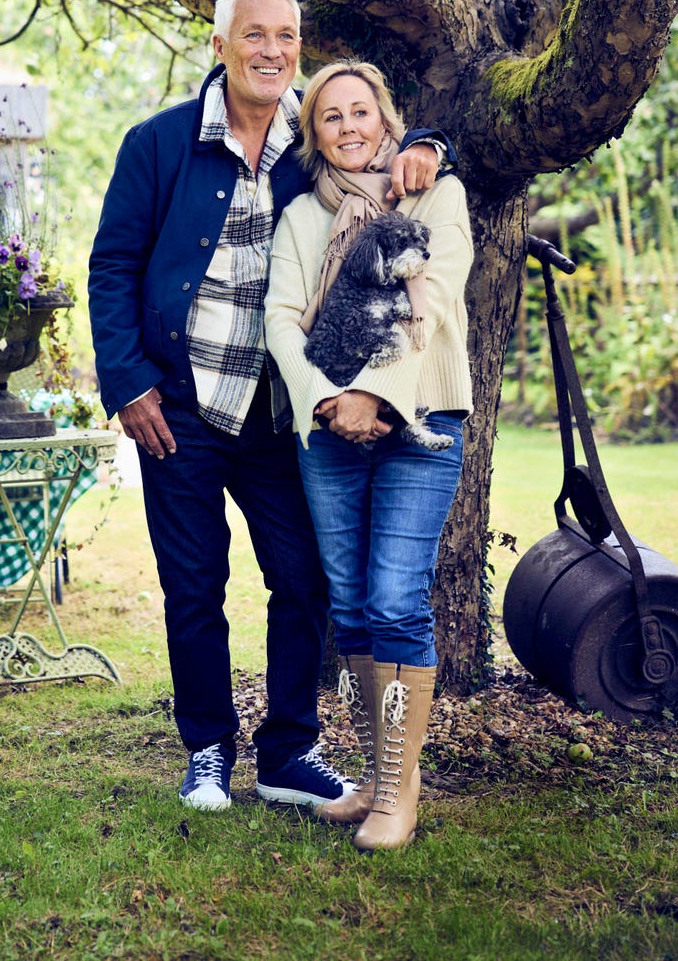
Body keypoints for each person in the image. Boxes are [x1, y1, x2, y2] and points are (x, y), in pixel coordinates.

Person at [88, 0, 451, 813]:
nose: (271, 51)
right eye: (253, 35)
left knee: (305, 579)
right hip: (177, 405)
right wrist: (129, 381)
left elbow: (392, 144)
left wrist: (435, 144)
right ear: (220, 46)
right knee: (194, 582)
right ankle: (209, 748)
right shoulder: (158, 143)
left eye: (286, 36)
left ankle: (288, 751)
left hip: (281, 408)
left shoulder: (312, 145)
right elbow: (112, 266)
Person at [264, 59, 473, 850]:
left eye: (362, 112)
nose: (350, 128)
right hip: (328, 431)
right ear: (314, 135)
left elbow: (435, 296)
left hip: (421, 417)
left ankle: (395, 794)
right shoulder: (299, 218)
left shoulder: (434, 193)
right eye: (331, 117)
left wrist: (372, 395)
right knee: (350, 605)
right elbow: (281, 320)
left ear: (387, 119)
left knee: (393, 602)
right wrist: (326, 399)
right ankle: (387, 780)